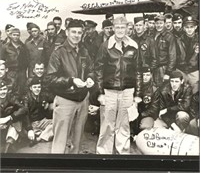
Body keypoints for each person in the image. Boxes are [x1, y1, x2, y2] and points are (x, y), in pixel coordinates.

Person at [45, 19, 95, 154]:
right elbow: (50, 78)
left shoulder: (84, 50)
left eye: (79, 32)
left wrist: (90, 78)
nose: (76, 35)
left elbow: (91, 69)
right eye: (73, 32)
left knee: (77, 141)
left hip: (83, 99)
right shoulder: (58, 52)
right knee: (60, 141)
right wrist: (71, 80)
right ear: (67, 32)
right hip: (65, 99)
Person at [95, 16, 142, 154]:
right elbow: (98, 70)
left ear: (127, 29)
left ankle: (123, 155)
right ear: (113, 28)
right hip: (109, 91)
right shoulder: (105, 46)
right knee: (107, 125)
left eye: (123, 27)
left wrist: (138, 94)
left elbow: (139, 71)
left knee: (124, 125)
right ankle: (103, 155)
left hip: (128, 91)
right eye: (117, 27)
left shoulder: (134, 46)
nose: (120, 30)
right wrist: (100, 93)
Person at [23, 77, 53, 144]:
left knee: (57, 124)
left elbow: (52, 97)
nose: (37, 89)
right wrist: (29, 129)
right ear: (31, 88)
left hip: (43, 121)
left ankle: (38, 138)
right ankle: (43, 134)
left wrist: (47, 103)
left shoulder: (43, 95)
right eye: (35, 87)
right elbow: (25, 114)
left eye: (39, 87)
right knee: (25, 132)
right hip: (33, 123)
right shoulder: (26, 98)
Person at [0, 80, 28, 153]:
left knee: (16, 122)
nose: (3, 92)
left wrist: (11, 117)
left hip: (8, 126)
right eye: (0, 89)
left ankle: (9, 145)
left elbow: (23, 109)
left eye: (4, 89)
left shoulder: (11, 98)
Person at [130, 67, 157, 137]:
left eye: (147, 75)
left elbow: (154, 109)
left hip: (145, 115)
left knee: (145, 127)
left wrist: (140, 115)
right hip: (132, 114)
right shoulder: (133, 87)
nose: (145, 77)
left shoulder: (155, 90)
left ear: (151, 75)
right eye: (143, 75)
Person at [0, 28, 28, 97]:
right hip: (11, 72)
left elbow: (27, 59)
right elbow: (1, 60)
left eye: (17, 35)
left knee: (21, 89)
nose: (15, 37)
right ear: (11, 35)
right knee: (11, 89)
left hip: (21, 72)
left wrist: (24, 70)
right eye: (14, 35)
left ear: (19, 36)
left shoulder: (23, 46)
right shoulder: (5, 47)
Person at [176, 16, 199, 93]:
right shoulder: (178, 40)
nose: (189, 29)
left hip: (194, 71)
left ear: (195, 27)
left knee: (195, 93)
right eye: (187, 27)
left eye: (191, 27)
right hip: (181, 70)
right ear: (184, 28)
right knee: (181, 92)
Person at [154, 15, 176, 87]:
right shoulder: (152, 35)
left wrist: (168, 73)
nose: (159, 25)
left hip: (163, 68)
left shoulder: (169, 36)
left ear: (164, 23)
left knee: (164, 89)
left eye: (161, 23)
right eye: (157, 23)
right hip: (153, 68)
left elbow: (172, 55)